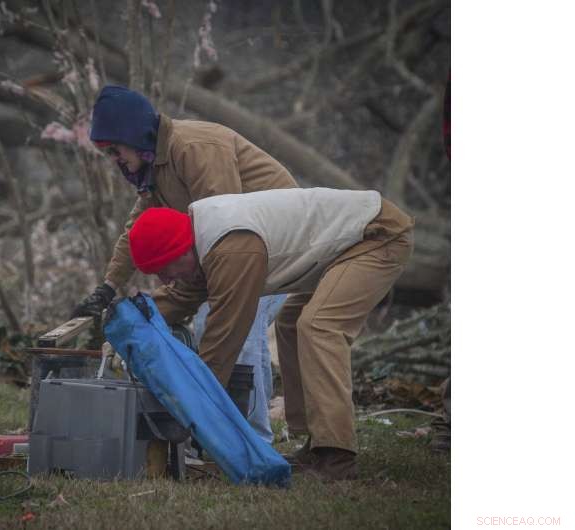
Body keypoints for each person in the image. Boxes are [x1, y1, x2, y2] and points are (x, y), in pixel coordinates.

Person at [126, 188, 414, 481]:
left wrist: (194, 405)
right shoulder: (202, 239)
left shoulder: (231, 248)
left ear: (180, 248)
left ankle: (337, 457)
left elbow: (224, 337)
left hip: (376, 235)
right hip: (346, 244)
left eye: (163, 269)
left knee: (318, 326)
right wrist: (126, 325)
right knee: (291, 322)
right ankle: (317, 443)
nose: (165, 279)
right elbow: (179, 297)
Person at [71, 85, 293, 440]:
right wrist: (108, 287)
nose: (114, 159)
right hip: (243, 245)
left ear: (134, 135)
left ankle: (247, 441)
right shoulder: (156, 170)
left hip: (276, 242)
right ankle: (232, 432)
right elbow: (137, 231)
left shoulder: (193, 148)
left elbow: (225, 225)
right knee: (212, 323)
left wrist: (189, 291)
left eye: (115, 150)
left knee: (229, 326)